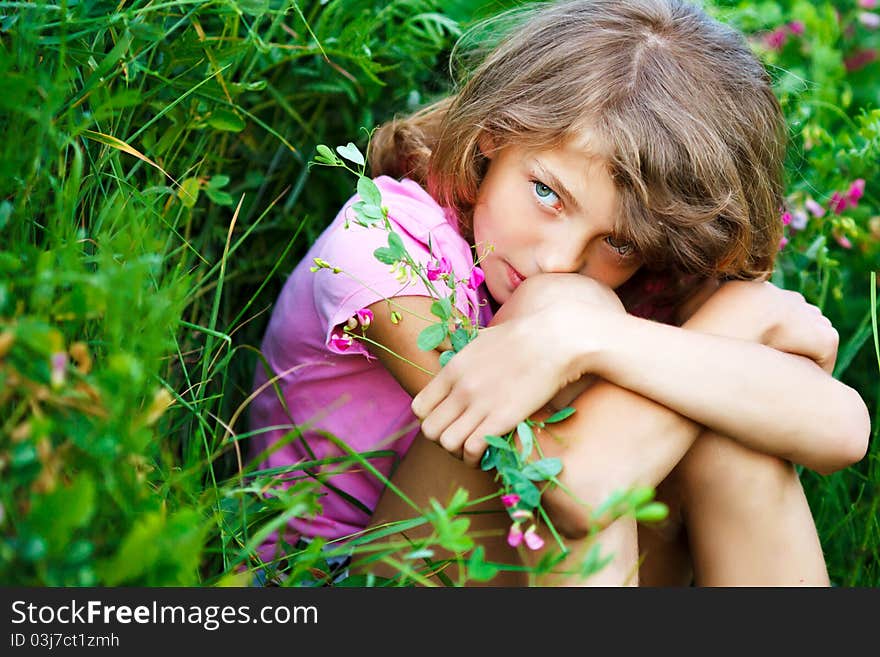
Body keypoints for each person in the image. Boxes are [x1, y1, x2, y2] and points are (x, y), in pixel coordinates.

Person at [246, 0, 870, 586]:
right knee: (571, 313)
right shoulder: (383, 245)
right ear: (495, 133)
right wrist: (732, 320)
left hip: (544, 563)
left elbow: (843, 431)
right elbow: (574, 491)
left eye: (619, 241)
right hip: (357, 579)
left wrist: (596, 338)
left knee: (730, 434)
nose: (560, 258)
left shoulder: (639, 281)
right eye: (547, 192)